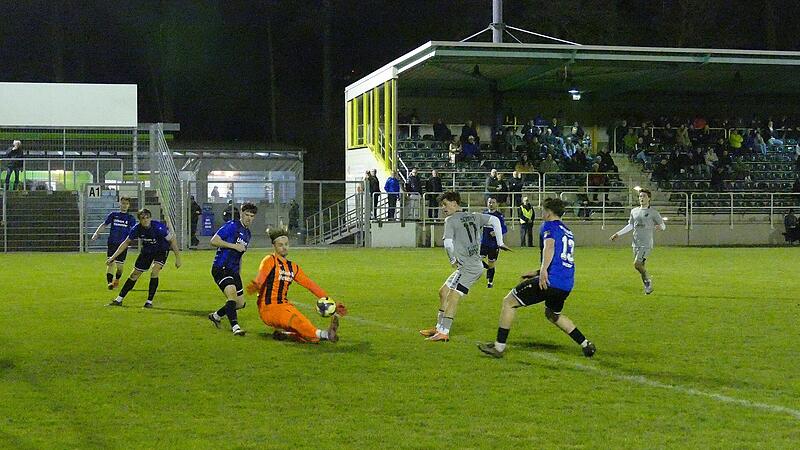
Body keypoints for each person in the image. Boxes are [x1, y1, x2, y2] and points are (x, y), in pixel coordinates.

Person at [478, 197, 596, 358]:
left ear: (548, 212)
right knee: (553, 314)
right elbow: (560, 260)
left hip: (550, 280)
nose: (541, 212)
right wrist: (536, 272)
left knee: (509, 302)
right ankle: (585, 344)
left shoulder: (548, 226)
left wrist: (543, 272)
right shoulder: (567, 231)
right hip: (566, 284)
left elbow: (550, 247)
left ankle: (498, 347)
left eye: (543, 209)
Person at [419, 191, 509, 342]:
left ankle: (444, 332)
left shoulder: (450, 220)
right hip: (469, 265)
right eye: (442, 205)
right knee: (443, 292)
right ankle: (439, 327)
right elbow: (494, 220)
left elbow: (448, 244)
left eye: (445, 204)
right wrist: (499, 241)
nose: (443, 208)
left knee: (453, 296)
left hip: (470, 268)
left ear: (454, 203)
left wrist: (452, 259)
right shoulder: (474, 215)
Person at [245, 229, 347, 343]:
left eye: (286, 244)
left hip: (285, 305)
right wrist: (257, 284)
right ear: (274, 246)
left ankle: (284, 334)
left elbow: (310, 285)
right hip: (269, 309)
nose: (284, 247)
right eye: (280, 245)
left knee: (311, 337)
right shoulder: (270, 260)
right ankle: (327, 334)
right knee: (295, 321)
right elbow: (261, 276)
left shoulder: (293, 267)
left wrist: (331, 302)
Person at [106, 209, 182, 308]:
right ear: (140, 220)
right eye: (143, 218)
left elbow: (172, 240)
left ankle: (149, 302)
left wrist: (178, 258)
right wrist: (113, 257)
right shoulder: (136, 229)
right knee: (134, 274)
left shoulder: (158, 227)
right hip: (147, 250)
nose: (145, 220)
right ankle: (119, 300)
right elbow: (125, 243)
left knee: (155, 271)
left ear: (150, 218)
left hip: (161, 250)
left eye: (147, 218)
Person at [207, 202, 258, 336]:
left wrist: (238, 272)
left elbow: (240, 255)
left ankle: (216, 316)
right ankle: (235, 327)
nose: (248, 218)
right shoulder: (232, 226)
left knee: (240, 303)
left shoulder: (247, 233)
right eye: (246, 215)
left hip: (233, 271)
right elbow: (214, 241)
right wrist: (234, 246)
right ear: (241, 214)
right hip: (221, 267)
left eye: (251, 216)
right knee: (232, 296)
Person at [609, 189, 666, 295]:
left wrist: (660, 227)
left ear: (649, 198)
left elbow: (663, 225)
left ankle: (648, 281)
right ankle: (647, 286)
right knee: (641, 266)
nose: (641, 198)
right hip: (635, 243)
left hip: (646, 243)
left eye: (644, 196)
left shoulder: (653, 213)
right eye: (640, 196)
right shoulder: (634, 211)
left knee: (637, 264)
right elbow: (630, 225)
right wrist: (618, 234)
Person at [90, 196, 136, 290]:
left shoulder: (130, 218)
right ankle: (110, 283)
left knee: (120, 266)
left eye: (126, 204)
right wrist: (96, 233)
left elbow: (134, 231)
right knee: (110, 262)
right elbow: (104, 224)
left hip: (123, 245)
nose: (124, 205)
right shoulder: (113, 215)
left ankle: (117, 279)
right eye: (123, 203)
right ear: (120, 203)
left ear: (129, 205)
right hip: (112, 243)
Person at [481, 198, 508, 288]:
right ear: (487, 203)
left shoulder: (499, 216)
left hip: (493, 244)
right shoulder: (484, 214)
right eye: (489, 202)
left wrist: (495, 233)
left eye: (493, 202)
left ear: (496, 204)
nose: (491, 204)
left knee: (491, 262)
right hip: (483, 242)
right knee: (477, 259)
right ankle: (488, 268)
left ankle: (490, 282)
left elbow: (504, 229)